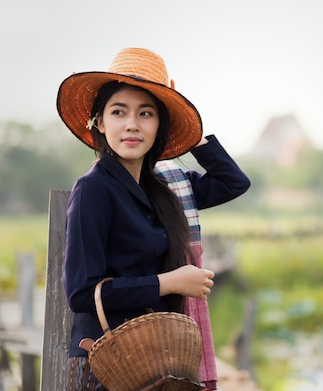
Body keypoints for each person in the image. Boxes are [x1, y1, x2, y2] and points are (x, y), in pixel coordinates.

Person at [56, 47, 250, 391]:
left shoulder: (165, 189)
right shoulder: (93, 190)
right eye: (119, 112)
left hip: (159, 362)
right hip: (110, 366)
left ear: (160, 125)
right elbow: (82, 293)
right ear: (99, 122)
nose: (132, 124)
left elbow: (233, 182)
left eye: (146, 114)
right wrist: (170, 282)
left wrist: (189, 131)